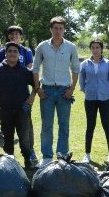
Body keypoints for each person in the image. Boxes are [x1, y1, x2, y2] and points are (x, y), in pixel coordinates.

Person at [33, 16, 80, 168]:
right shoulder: (42, 46)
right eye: (55, 28)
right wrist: (38, 89)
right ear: (51, 29)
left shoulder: (71, 47)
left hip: (64, 91)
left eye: (61, 28)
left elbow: (75, 69)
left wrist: (71, 89)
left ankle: (62, 155)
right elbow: (35, 69)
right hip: (46, 90)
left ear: (64, 29)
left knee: (64, 125)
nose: (58, 31)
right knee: (46, 125)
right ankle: (46, 157)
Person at [0, 42, 37, 168]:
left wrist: (31, 97)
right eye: (10, 51)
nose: (12, 53)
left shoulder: (24, 71)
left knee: (24, 137)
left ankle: (27, 160)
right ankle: (9, 161)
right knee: (8, 136)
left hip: (22, 109)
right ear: (5, 54)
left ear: (19, 55)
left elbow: (36, 84)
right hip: (4, 109)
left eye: (15, 51)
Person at [0, 26, 38, 166]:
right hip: (6, 96)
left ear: (21, 36)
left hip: (22, 95)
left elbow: (31, 69)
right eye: (11, 34)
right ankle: (9, 158)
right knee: (7, 128)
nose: (14, 36)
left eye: (17, 34)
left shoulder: (26, 51)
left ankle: (30, 153)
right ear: (8, 37)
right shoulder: (2, 51)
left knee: (26, 127)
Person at [79, 39, 109, 164]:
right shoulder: (84, 64)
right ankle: (87, 154)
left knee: (107, 125)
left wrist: (104, 91)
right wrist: (88, 91)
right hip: (90, 99)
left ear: (101, 49)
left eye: (97, 47)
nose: (95, 50)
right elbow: (81, 81)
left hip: (105, 99)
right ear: (91, 49)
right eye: (93, 47)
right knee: (90, 126)